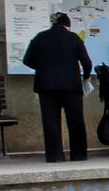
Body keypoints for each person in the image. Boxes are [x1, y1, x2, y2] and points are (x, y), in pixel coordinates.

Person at [21, 12, 93, 163]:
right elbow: (87, 62)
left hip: (46, 86)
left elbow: (27, 60)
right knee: (75, 121)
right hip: (71, 87)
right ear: (68, 25)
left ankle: (54, 156)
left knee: (50, 122)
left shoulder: (40, 37)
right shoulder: (74, 38)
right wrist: (86, 76)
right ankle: (78, 154)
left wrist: (42, 68)